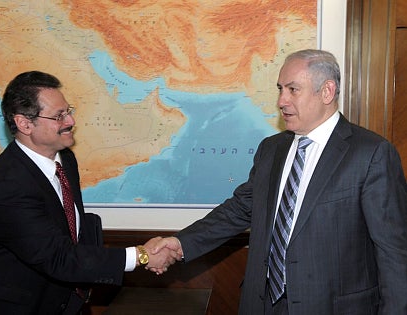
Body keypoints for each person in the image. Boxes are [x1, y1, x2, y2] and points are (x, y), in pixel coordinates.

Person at [151, 49, 407, 314]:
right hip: (262, 304)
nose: (282, 100)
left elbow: (394, 254)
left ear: (327, 91)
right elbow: (240, 210)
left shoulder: (371, 154)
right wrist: (180, 244)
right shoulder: (271, 149)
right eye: (280, 89)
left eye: (293, 89)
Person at [0, 71, 179, 314]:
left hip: (62, 302)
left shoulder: (65, 159)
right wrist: (142, 256)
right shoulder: (9, 187)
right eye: (58, 116)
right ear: (24, 123)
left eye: (68, 111)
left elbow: (71, 231)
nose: (71, 121)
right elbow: (59, 258)